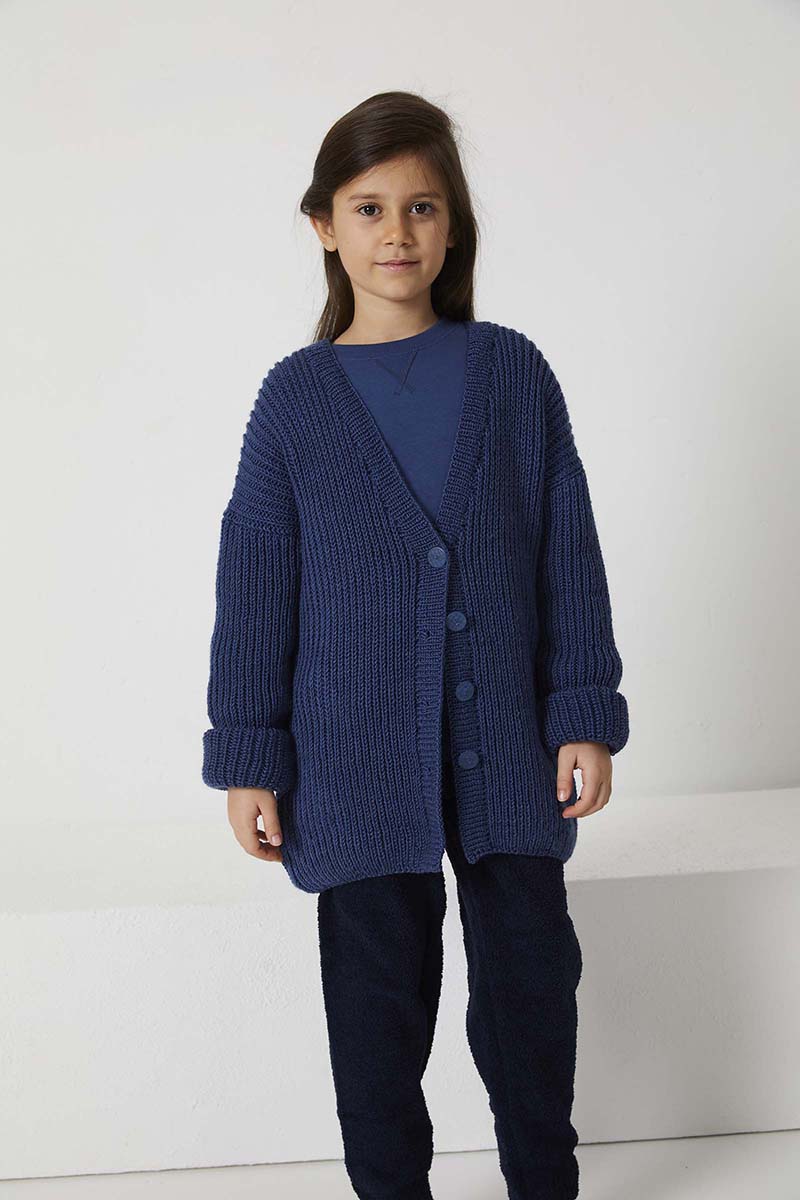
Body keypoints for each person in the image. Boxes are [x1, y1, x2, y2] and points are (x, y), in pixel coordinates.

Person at [202, 89, 629, 1200]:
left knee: (532, 987)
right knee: (377, 1010)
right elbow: (256, 586)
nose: (397, 232)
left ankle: (544, 1181)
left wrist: (582, 711)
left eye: (423, 207)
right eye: (368, 207)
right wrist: (250, 754)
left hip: (512, 748)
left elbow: (567, 553)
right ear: (323, 225)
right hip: (349, 758)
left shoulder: (512, 373)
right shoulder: (294, 401)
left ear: (453, 226)